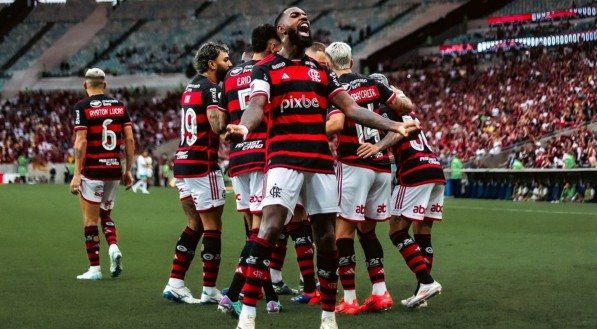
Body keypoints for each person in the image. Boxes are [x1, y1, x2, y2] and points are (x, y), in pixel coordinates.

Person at [225, 7, 417, 329]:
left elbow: (352, 109)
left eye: (306, 16)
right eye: (295, 15)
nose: (304, 18)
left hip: (320, 163)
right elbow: (256, 106)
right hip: (283, 159)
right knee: (269, 228)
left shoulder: (322, 72)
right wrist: (244, 128)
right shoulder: (265, 69)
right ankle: (247, 311)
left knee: (326, 239)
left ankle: (328, 315)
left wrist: (392, 126)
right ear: (281, 29)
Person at [325, 42, 412, 315]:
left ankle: (349, 298)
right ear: (351, 62)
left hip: (353, 164)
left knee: (343, 232)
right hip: (382, 167)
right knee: (368, 231)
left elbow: (337, 124)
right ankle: (380, 292)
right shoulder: (373, 83)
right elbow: (404, 106)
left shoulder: (336, 89)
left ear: (329, 64)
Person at [216, 24, 285, 316]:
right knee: (262, 232)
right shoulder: (271, 70)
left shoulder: (230, 75)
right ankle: (232, 294)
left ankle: (267, 295)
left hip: (238, 159)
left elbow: (220, 123)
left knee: (254, 234)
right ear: (271, 46)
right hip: (263, 156)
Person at [358, 73, 443, 309]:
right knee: (422, 233)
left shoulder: (385, 108)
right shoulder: (407, 110)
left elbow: (397, 133)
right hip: (434, 167)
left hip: (414, 171)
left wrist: (378, 146)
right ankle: (422, 291)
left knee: (396, 231)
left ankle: (426, 282)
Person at [162, 42, 232, 304]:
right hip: (202, 164)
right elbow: (216, 125)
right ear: (212, 64)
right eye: (226, 60)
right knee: (213, 226)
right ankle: (209, 288)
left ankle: (175, 282)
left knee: (195, 224)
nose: (230, 64)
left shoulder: (190, 87)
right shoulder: (212, 89)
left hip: (182, 163)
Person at [69, 68, 135, 280]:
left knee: (90, 220)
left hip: (92, 170)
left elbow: (81, 142)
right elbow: (130, 139)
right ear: (105, 85)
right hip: (113, 169)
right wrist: (128, 170)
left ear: (85, 85)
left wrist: (76, 173)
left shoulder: (82, 107)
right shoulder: (118, 106)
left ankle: (95, 269)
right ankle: (113, 246)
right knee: (105, 215)